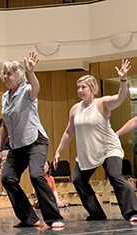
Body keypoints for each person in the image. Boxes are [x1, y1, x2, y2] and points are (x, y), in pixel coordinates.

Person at [54, 59, 137, 223]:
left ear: (92, 89)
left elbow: (120, 98)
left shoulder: (102, 103)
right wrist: (58, 151)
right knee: (78, 179)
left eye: (83, 87)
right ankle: (96, 213)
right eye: (78, 87)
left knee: (115, 176)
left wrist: (122, 80)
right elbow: (69, 131)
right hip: (88, 152)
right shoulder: (75, 109)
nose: (80, 90)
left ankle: (132, 212)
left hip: (108, 148)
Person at [0, 51, 64, 229]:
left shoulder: (26, 90)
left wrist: (31, 72)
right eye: (4, 73)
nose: (5, 77)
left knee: (35, 174)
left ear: (18, 75)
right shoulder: (5, 97)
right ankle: (29, 218)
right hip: (17, 145)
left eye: (9, 73)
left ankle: (54, 217)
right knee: (7, 178)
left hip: (36, 141)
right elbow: (5, 125)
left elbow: (36, 88)